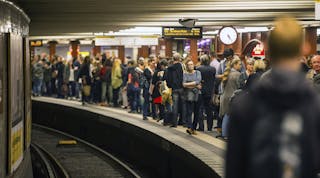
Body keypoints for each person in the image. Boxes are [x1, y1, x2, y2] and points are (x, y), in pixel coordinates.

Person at [226, 16, 320, 178]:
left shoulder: (244, 104)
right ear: (304, 48)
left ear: (268, 49)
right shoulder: (314, 104)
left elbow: (234, 167)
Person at [219, 57, 243, 139]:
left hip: (225, 97)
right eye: (239, 64)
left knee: (227, 116)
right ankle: (226, 134)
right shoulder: (237, 74)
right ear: (235, 65)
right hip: (232, 97)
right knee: (228, 116)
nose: (240, 66)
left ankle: (225, 133)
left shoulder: (227, 73)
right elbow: (239, 87)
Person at [163, 53, 184, 127]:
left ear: (173, 59)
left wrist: (170, 86)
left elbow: (167, 79)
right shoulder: (182, 67)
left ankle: (174, 123)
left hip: (174, 89)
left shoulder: (169, 68)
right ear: (179, 59)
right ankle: (182, 121)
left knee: (175, 106)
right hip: (181, 88)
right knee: (182, 105)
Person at [196, 55, 216, 131]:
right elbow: (214, 80)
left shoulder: (198, 69)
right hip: (210, 91)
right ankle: (209, 127)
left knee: (200, 109)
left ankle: (201, 127)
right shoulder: (213, 69)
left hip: (201, 91)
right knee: (209, 109)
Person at [183, 59, 202, 135]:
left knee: (197, 112)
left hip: (198, 94)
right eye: (189, 64)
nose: (191, 66)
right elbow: (184, 84)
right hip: (189, 94)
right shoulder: (185, 74)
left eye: (192, 64)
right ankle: (189, 127)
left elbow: (198, 81)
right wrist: (195, 85)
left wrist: (189, 84)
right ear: (187, 66)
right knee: (189, 111)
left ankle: (193, 128)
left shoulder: (198, 72)